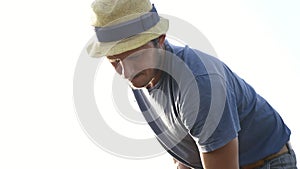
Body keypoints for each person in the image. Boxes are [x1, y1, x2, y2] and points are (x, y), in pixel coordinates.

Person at [87, 0, 298, 168]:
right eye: (114, 62)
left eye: (134, 58)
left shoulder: (199, 86)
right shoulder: (141, 76)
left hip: (266, 164)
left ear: (160, 40)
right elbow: (185, 152)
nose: (126, 73)